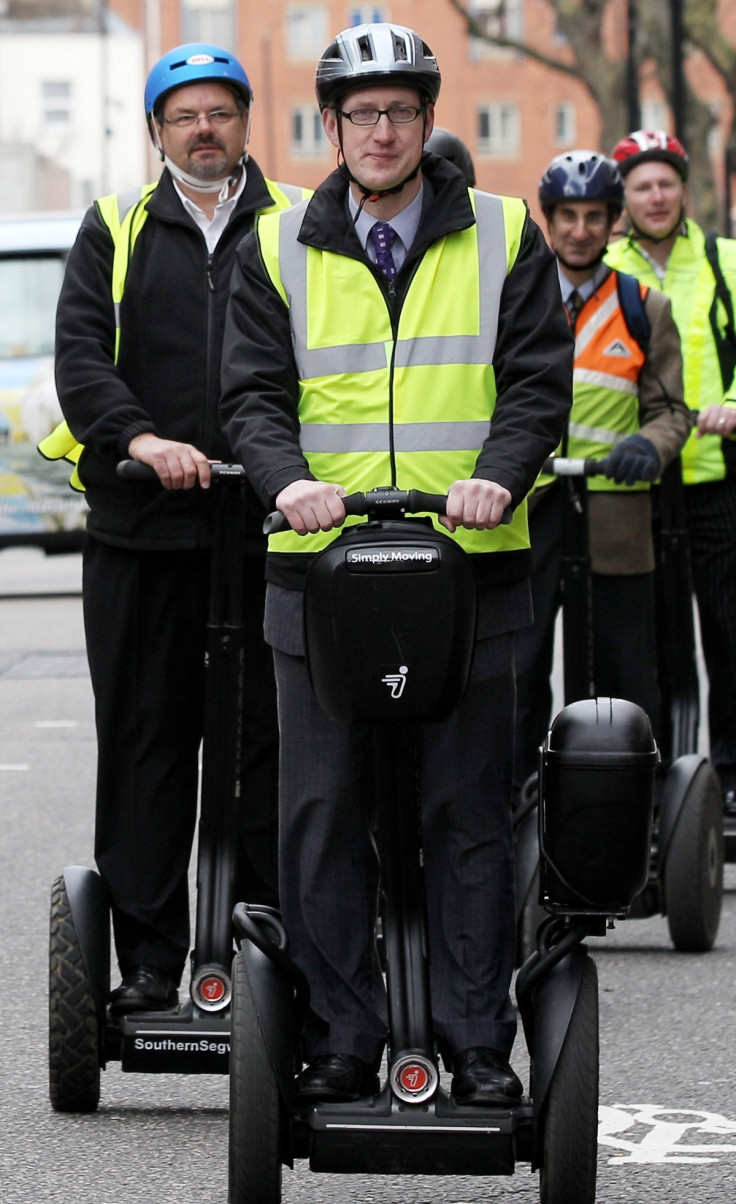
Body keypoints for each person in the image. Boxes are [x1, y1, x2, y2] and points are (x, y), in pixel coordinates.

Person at [220, 22, 572, 1106]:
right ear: (331, 128)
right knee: (320, 810)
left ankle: (475, 1039)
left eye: (400, 112)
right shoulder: (276, 247)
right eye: (360, 114)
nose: (380, 130)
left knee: (465, 810)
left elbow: (533, 387)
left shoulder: (507, 235)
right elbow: (249, 397)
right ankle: (337, 1033)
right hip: (319, 576)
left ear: (428, 122)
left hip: (473, 568)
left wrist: (499, 476)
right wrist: (284, 484)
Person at [44, 43, 308, 1015]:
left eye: (221, 113)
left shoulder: (298, 222)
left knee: (265, 743)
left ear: (245, 123)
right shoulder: (114, 225)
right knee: (148, 739)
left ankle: (264, 937)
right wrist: (141, 438)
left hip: (266, 528)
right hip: (141, 530)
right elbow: (80, 359)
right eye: (185, 114)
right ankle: (152, 958)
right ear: (157, 131)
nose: (205, 129)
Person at [514, 150, 690, 796]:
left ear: (614, 222)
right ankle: (523, 804)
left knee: (625, 678)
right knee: (522, 670)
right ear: (550, 221)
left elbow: (671, 411)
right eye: (568, 216)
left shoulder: (646, 306)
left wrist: (651, 446)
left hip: (616, 521)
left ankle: (631, 815)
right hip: (529, 518)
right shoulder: (519, 300)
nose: (581, 230)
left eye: (594, 216)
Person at [607, 130, 736, 816]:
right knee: (649, 643)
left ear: (684, 189)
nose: (655, 196)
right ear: (623, 197)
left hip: (714, 478)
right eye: (641, 185)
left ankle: (731, 777)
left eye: (666, 183)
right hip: (638, 486)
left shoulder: (723, 261)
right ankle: (656, 783)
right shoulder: (607, 266)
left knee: (728, 634)